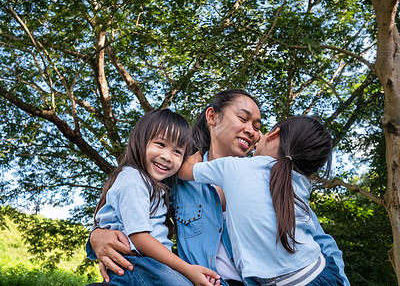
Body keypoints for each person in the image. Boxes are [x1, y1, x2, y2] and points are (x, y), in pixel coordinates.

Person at [87, 89, 350, 286]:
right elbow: (133, 209)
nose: (252, 131)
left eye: (258, 128)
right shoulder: (176, 176)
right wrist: (96, 236)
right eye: (244, 119)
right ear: (212, 116)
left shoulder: (273, 179)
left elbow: (322, 243)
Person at [178, 116, 344, 285]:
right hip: (321, 271)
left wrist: (200, 149)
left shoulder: (234, 168)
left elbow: (184, 170)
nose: (256, 135)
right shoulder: (297, 183)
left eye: (259, 129)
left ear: (273, 135)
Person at [92, 109, 220, 286]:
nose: (167, 157)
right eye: (160, 144)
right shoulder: (133, 179)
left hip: (150, 265)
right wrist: (187, 269)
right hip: (139, 264)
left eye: (177, 152)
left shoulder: (157, 186)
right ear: (140, 141)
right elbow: (140, 238)